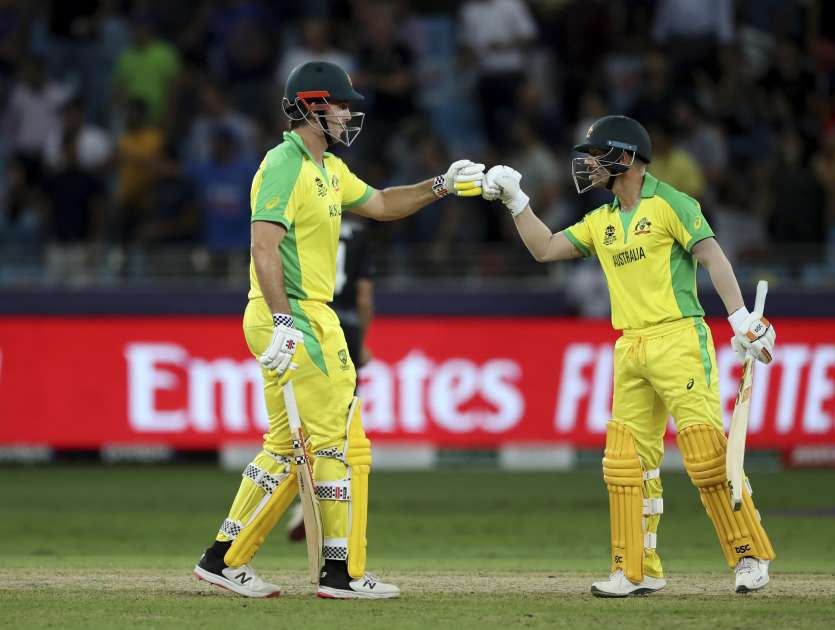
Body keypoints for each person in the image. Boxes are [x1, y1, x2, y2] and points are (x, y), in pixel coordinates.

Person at [192, 60, 484, 600]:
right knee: (331, 444)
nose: (350, 113)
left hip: (309, 315)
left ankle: (222, 559)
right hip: (294, 315)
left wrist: (442, 184)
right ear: (310, 106)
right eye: (341, 104)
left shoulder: (327, 168)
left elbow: (381, 203)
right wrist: (282, 320)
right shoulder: (284, 163)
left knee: (284, 447)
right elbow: (262, 245)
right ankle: (339, 574)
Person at [482, 115, 776, 597]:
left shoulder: (671, 203)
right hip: (630, 346)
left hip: (680, 338)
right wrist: (518, 202)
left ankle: (749, 556)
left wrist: (740, 318)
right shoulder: (602, 222)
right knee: (625, 464)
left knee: (705, 456)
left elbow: (711, 256)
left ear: (626, 158)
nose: (590, 165)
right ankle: (636, 569)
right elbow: (546, 248)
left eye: (598, 156)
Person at [287, 214, 375, 542]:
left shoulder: (306, 221)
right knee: (340, 424)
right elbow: (364, 295)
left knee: (306, 419)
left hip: (307, 322)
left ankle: (303, 499)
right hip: (345, 330)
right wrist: (362, 341)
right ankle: (334, 505)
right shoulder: (360, 236)